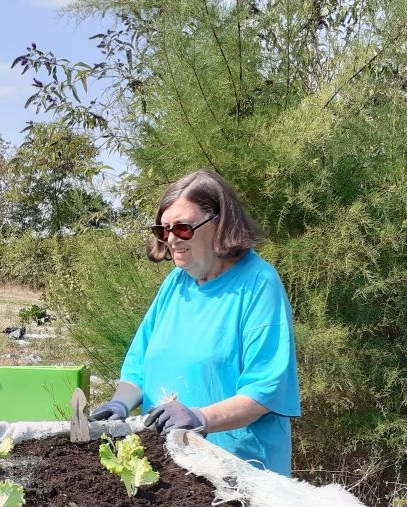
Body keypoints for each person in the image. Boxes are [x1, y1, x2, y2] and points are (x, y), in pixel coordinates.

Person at [91, 168, 300, 476]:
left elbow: (264, 391)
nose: (172, 239)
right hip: (173, 466)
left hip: (241, 472)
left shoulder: (258, 284)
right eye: (163, 230)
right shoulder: (177, 283)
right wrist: (120, 404)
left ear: (219, 223)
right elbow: (138, 364)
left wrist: (199, 416)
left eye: (183, 228)